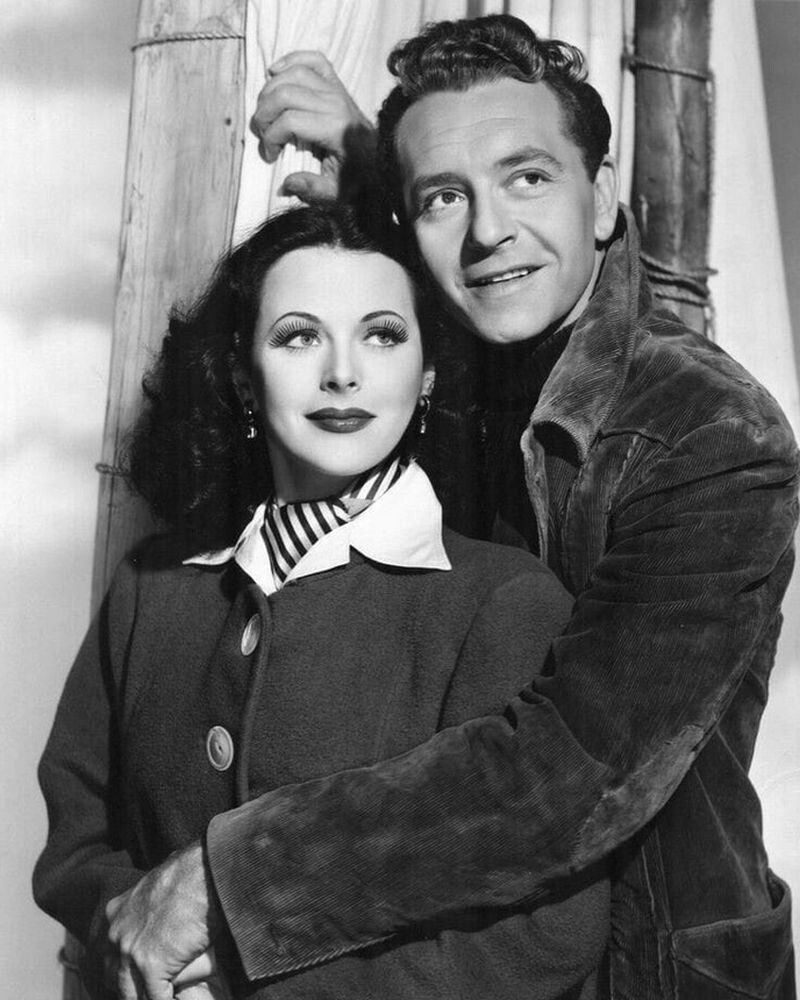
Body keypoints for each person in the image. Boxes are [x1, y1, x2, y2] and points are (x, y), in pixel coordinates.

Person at [47, 14, 798, 1000]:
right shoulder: (472, 347)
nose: (488, 230)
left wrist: (233, 883)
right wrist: (376, 169)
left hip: (652, 968)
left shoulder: (710, 432)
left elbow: (571, 772)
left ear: (604, 197)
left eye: (528, 177)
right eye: (445, 196)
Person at [33, 203, 611, 1000]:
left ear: (429, 373)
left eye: (383, 335)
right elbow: (75, 845)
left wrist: (249, 976)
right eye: (299, 336)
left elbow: (549, 936)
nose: (343, 372)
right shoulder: (150, 586)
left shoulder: (503, 604)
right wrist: (139, 931)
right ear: (242, 375)